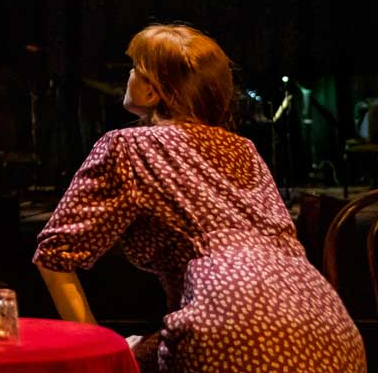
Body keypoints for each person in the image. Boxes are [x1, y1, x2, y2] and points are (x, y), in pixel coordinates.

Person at [33, 23, 366, 372]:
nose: (128, 74)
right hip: (329, 326)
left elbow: (55, 256)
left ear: (152, 93)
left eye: (135, 68)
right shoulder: (244, 149)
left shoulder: (128, 146)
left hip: (234, 332)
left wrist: (100, 354)